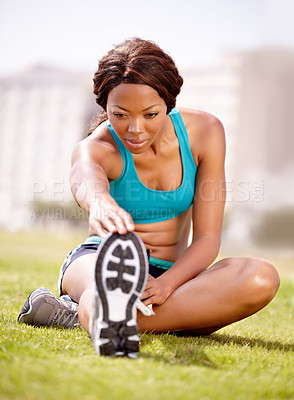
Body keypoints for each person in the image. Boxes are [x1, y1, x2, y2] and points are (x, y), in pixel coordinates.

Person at [18, 37, 280, 358]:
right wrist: (98, 202)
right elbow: (84, 177)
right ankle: (105, 308)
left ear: (168, 104)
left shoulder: (206, 132)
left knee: (260, 277)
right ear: (105, 107)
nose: (135, 129)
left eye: (150, 114)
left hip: (173, 275)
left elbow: (208, 238)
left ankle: (83, 316)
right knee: (105, 289)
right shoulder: (97, 148)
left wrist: (167, 285)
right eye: (120, 114)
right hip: (100, 259)